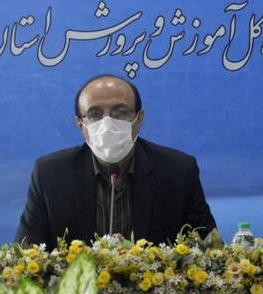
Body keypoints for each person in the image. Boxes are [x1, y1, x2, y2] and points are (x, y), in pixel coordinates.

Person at [15, 74, 216, 249]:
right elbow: (26, 256)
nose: (108, 123)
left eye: (120, 111)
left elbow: (211, 250)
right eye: (95, 114)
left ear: (139, 118)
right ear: (80, 124)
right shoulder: (50, 175)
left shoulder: (179, 170)